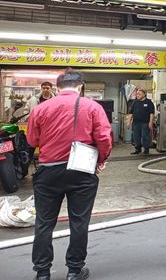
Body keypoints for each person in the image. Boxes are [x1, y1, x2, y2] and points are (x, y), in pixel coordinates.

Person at [26, 68, 112, 280]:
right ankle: (74, 270)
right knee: (79, 221)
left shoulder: (41, 108)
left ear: (57, 88)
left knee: (44, 223)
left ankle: (43, 272)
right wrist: (101, 160)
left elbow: (31, 141)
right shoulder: (92, 106)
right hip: (82, 171)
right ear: (80, 87)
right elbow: (104, 138)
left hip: (48, 170)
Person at [128, 88, 155, 155]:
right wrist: (129, 122)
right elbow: (131, 113)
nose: (137, 95)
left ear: (144, 94)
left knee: (145, 136)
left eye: (139, 94)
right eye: (137, 94)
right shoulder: (135, 102)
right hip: (135, 123)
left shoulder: (149, 102)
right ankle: (138, 149)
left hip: (145, 123)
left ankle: (146, 150)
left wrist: (150, 122)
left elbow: (151, 113)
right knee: (136, 137)